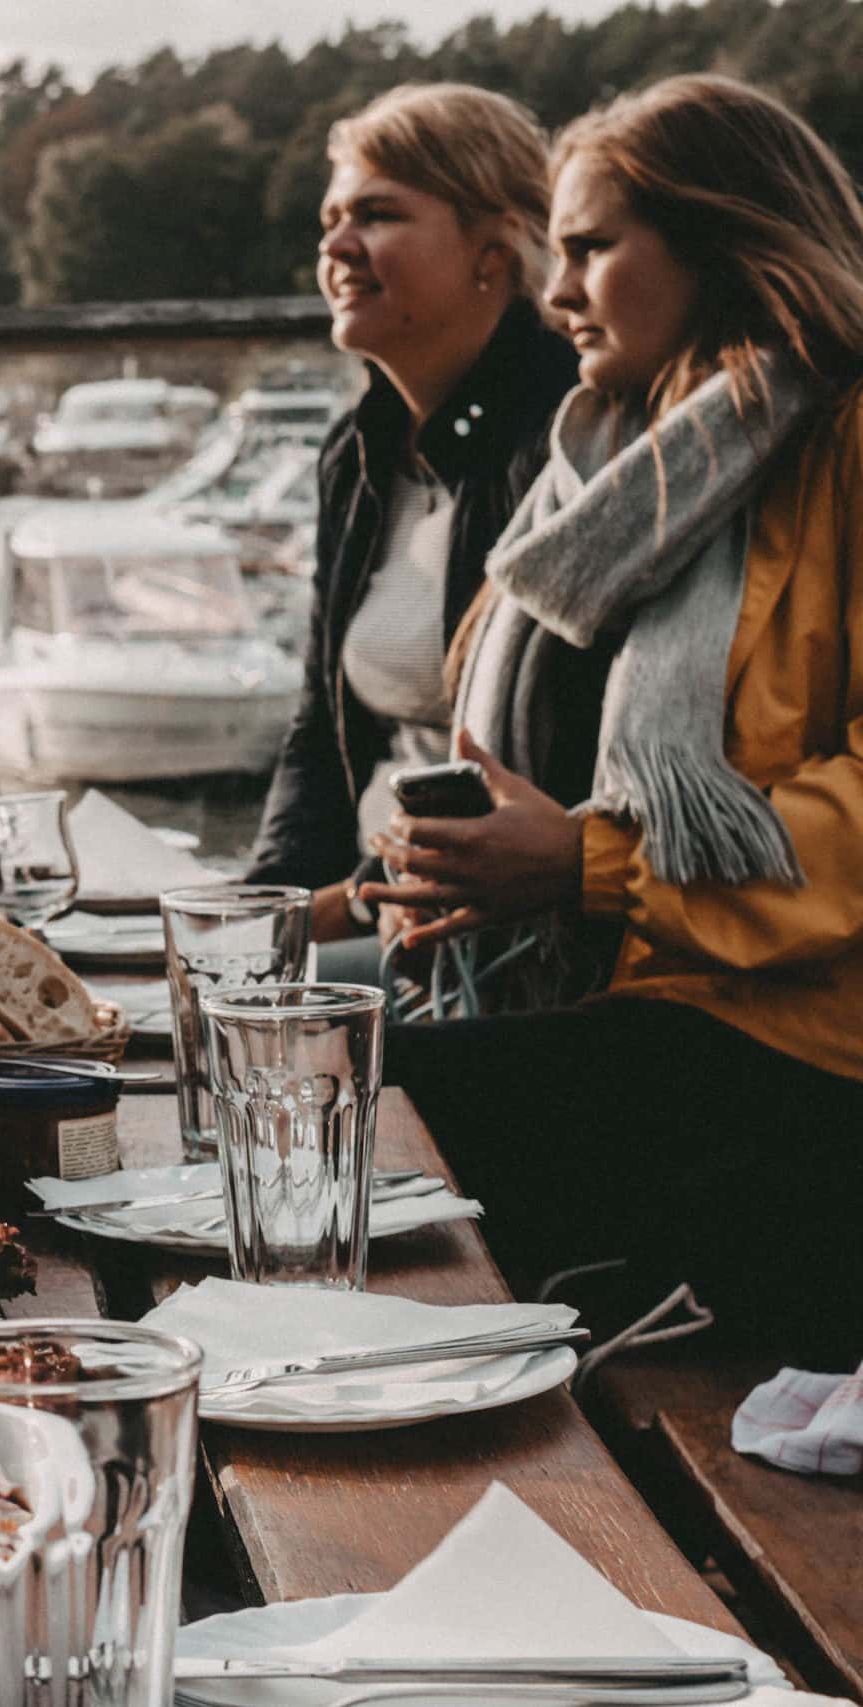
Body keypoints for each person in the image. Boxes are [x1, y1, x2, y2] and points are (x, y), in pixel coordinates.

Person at [368, 75, 863, 1366]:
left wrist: (588, 867)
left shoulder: (849, 445)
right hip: (668, 1009)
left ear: (724, 241)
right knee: (292, 1074)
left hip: (809, 1066)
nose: (557, 291)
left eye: (591, 247)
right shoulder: (623, 473)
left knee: (349, 1113)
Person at [245, 86, 588, 966]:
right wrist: (261, 911)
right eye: (330, 220)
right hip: (371, 906)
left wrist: (347, 905)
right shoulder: (356, 455)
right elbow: (320, 728)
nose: (333, 246)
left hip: (489, 935)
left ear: (494, 244)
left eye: (377, 213)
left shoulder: (571, 441)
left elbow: (568, 755)